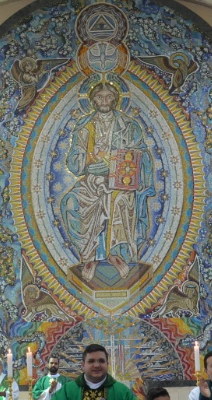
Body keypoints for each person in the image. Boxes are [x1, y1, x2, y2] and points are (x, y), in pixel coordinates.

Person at [62, 81, 155, 282]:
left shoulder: (128, 126)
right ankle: (90, 256)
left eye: (109, 97)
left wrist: (116, 158)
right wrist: (88, 156)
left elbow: (141, 154)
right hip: (92, 180)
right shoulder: (85, 126)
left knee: (120, 200)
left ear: (115, 99)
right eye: (99, 97)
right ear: (93, 100)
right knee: (71, 202)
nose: (104, 101)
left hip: (119, 180)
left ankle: (115, 254)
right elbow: (74, 161)